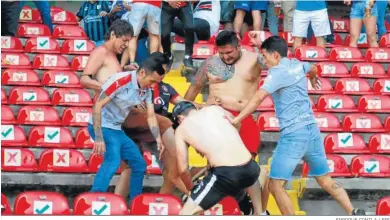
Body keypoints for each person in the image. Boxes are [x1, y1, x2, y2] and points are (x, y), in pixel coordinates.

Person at [228, 33, 366, 216]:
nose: (264, 61)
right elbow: (314, 68)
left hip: (294, 135)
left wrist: (237, 120)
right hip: (312, 131)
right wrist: (313, 77)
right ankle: (353, 211)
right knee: (325, 180)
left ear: (275, 55)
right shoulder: (297, 64)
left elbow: (258, 99)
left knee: (275, 185)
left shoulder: (276, 73)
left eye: (266, 57)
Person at [184, 30, 270, 213]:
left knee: (248, 169)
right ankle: (232, 205)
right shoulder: (210, 63)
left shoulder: (255, 59)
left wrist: (262, 44)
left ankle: (257, 211)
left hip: (243, 118)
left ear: (239, 46)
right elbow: (190, 94)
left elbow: (279, 62)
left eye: (229, 52)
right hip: (217, 118)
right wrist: (198, 108)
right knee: (221, 168)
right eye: (221, 52)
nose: (225, 56)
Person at [116, 52, 199, 197]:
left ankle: (161, 205)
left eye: (166, 70)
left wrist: (205, 105)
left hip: (157, 134)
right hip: (135, 131)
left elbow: (183, 102)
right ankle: (117, 208)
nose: (164, 73)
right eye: (162, 69)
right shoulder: (135, 82)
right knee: (128, 170)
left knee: (171, 172)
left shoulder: (166, 88)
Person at [89, 55, 166, 203]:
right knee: (112, 161)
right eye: (152, 81)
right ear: (142, 73)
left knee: (139, 164)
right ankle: (94, 201)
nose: (153, 86)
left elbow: (150, 116)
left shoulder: (147, 90)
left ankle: (136, 203)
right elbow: (97, 105)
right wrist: (99, 137)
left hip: (117, 129)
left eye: (156, 83)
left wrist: (158, 139)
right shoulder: (120, 81)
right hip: (101, 125)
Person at [172, 101, 265, 215]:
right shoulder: (215, 109)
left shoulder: (181, 129)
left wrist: (191, 190)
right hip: (251, 168)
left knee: (185, 213)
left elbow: (183, 169)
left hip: (226, 175)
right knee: (249, 177)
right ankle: (259, 212)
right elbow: (237, 124)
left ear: (180, 118)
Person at [121, 0, 162, 68]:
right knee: (154, 36)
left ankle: (132, 62)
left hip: (139, 3)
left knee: (133, 36)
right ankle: (152, 62)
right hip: (155, 4)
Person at [161, 0, 195, 69]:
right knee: (165, 34)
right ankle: (168, 56)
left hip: (184, 5)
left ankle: (187, 56)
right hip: (167, 6)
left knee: (190, 27)